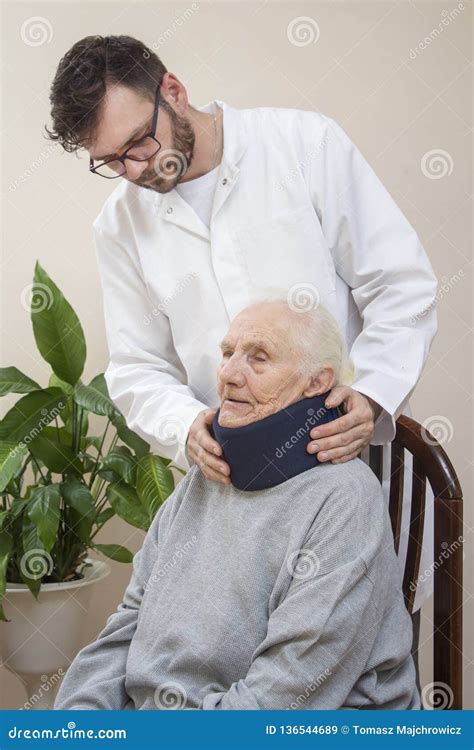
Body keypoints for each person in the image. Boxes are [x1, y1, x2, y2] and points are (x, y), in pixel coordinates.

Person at [45, 34, 438, 685]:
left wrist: (373, 395)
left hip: (335, 472)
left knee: (317, 666)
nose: (136, 172)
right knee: (207, 660)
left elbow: (399, 283)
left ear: (173, 90)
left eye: (138, 144)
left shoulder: (303, 146)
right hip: (225, 487)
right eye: (111, 161)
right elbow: (137, 367)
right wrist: (186, 427)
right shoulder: (120, 226)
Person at [53, 299, 420, 710]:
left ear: (317, 383)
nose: (227, 374)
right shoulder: (204, 478)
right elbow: (126, 629)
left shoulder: (344, 499)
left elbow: (281, 698)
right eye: (227, 353)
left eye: (258, 359)